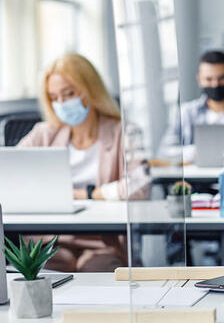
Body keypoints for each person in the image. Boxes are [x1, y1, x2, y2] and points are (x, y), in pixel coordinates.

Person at [18, 53, 146, 271]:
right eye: (54, 97)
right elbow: (11, 173)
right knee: (39, 276)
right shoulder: (44, 134)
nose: (61, 103)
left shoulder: (123, 132)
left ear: (91, 90)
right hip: (50, 242)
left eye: (68, 94)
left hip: (102, 243)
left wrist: (86, 193)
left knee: (101, 274)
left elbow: (139, 186)